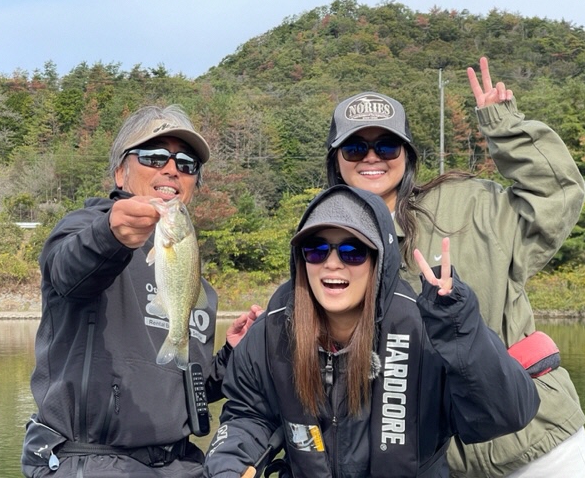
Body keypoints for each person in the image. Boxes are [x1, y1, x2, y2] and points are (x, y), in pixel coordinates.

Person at [320, 57, 585, 476]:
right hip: (443, 461)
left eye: (386, 145)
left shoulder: (469, 203)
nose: (371, 157)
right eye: (355, 147)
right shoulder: (329, 247)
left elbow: (556, 195)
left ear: (407, 154)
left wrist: (505, 126)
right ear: (336, 159)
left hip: (541, 444)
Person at [204, 185, 540, 477]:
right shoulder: (270, 332)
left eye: (353, 251)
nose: (332, 263)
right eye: (316, 249)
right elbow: (247, 415)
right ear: (301, 260)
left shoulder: (428, 331)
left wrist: (460, 328)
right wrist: (228, 463)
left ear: (379, 260)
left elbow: (505, 414)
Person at [21, 104, 255, 477]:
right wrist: (108, 235)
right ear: (120, 172)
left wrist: (230, 356)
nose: (172, 168)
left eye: (187, 163)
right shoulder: (85, 228)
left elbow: (186, 384)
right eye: (154, 155)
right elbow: (67, 272)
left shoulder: (194, 283)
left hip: (182, 464)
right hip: (93, 460)